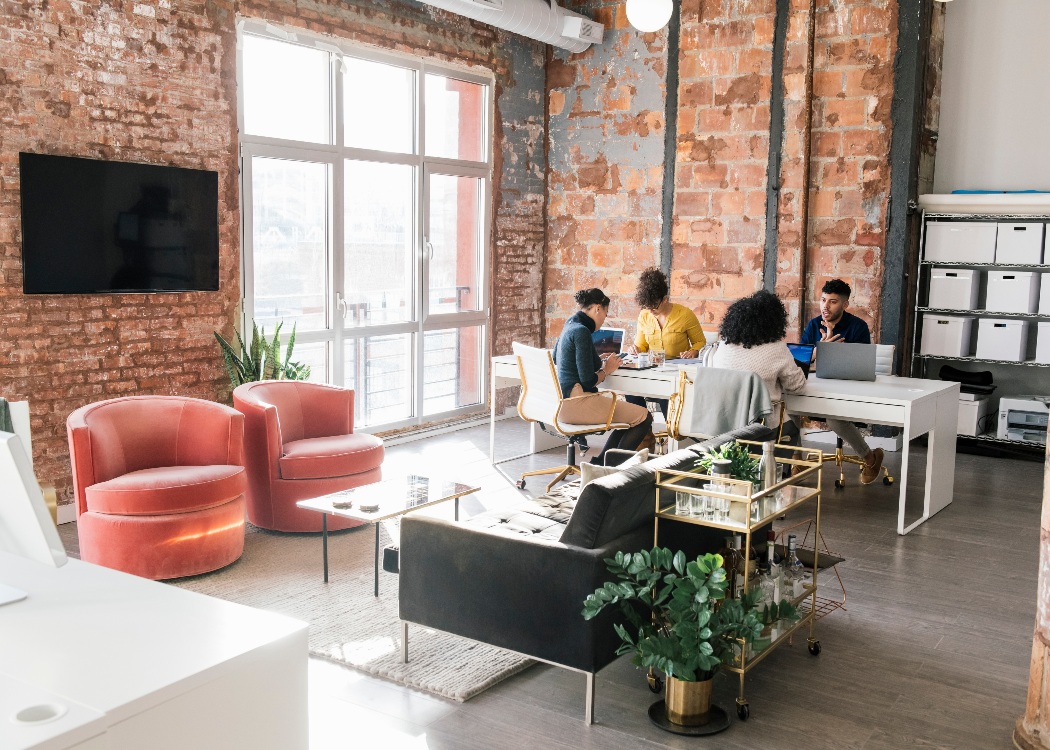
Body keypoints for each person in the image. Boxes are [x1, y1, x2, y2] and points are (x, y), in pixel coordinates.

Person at [554, 288, 653, 465]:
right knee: (644, 417)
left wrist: (593, 359)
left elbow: (556, 357)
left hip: (561, 403)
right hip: (577, 403)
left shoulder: (570, 323)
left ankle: (601, 464)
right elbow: (588, 381)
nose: (603, 320)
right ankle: (610, 468)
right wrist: (607, 369)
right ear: (597, 308)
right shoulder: (582, 331)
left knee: (629, 419)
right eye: (605, 314)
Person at [799, 278, 884, 484]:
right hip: (818, 389)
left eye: (833, 301)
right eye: (823, 300)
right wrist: (819, 351)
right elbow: (799, 362)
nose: (825, 306)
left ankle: (870, 458)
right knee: (790, 406)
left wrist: (836, 352)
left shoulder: (858, 327)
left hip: (848, 392)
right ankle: (796, 459)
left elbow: (861, 367)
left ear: (845, 304)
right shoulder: (813, 325)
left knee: (834, 418)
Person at [710, 290, 806, 445]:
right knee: (792, 430)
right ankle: (776, 461)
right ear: (774, 322)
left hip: (723, 425)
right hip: (761, 428)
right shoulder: (776, 348)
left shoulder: (723, 346)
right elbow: (798, 387)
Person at [624, 268, 706, 417]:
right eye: (647, 307)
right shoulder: (644, 316)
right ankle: (643, 426)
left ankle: (672, 429)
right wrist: (635, 349)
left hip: (675, 373)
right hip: (653, 371)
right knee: (630, 390)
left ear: (665, 299)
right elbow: (642, 346)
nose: (650, 311)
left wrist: (694, 351)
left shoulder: (685, 314)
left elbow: (700, 341)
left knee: (667, 400)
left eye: (654, 307)